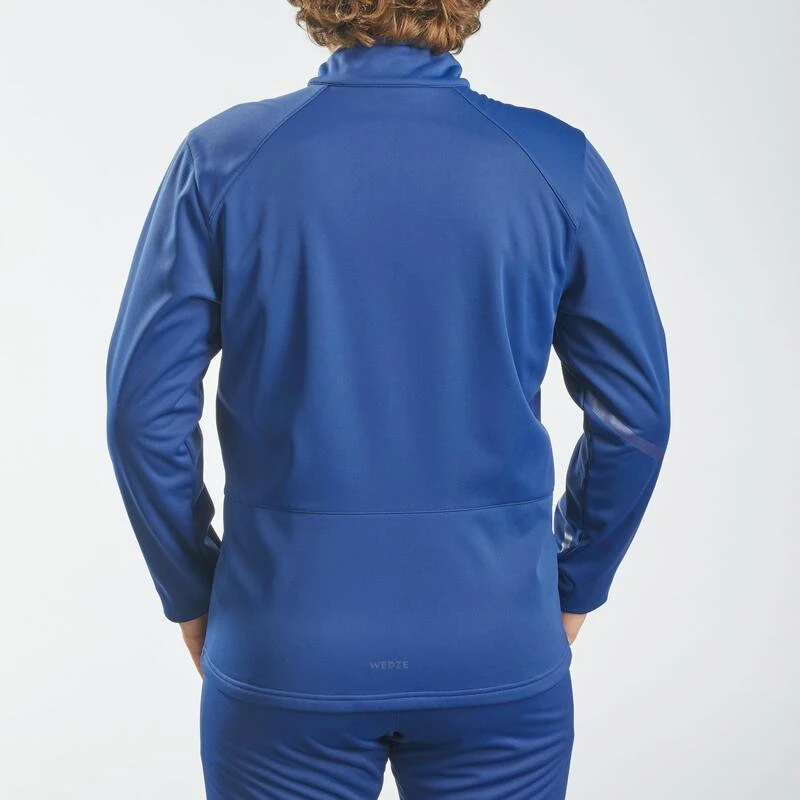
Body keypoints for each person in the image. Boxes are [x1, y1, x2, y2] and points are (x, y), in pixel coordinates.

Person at [105, 1, 671, 797]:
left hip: (286, 633)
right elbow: (636, 418)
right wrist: (576, 579)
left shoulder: (221, 160)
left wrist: (192, 589)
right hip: (495, 635)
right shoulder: (554, 163)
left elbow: (142, 417)